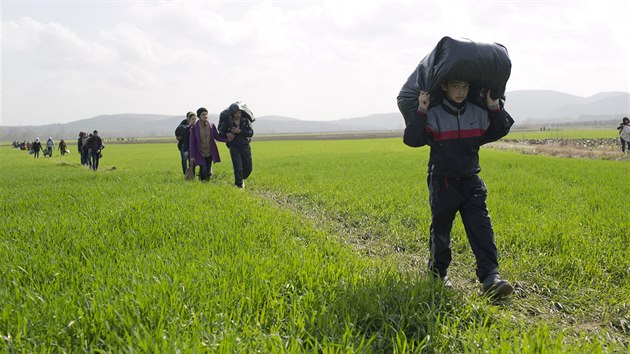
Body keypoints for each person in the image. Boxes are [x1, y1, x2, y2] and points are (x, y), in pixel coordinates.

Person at [403, 80, 514, 298]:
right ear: (444, 87)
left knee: (481, 228)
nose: (461, 91)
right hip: (442, 182)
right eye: (456, 86)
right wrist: (422, 109)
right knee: (441, 231)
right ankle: (438, 275)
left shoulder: (477, 112)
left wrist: (493, 106)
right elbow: (412, 139)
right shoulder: (434, 114)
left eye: (465, 86)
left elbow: (500, 129)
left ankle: (491, 278)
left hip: (471, 180)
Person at [219, 103, 254, 189]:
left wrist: (240, 131)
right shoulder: (227, 121)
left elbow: (251, 133)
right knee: (237, 168)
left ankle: (241, 179)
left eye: (239, 113)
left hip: (245, 146)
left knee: (249, 168)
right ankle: (239, 186)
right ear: (232, 114)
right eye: (236, 113)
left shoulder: (245, 121)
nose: (238, 115)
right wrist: (227, 134)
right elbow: (221, 133)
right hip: (234, 147)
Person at [189, 107, 229, 181]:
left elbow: (217, 137)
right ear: (199, 116)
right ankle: (202, 182)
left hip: (210, 151)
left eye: (206, 114)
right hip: (200, 152)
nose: (205, 116)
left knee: (208, 169)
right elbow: (192, 143)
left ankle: (206, 183)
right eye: (203, 114)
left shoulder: (211, 125)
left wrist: (227, 140)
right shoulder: (194, 128)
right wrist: (192, 156)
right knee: (203, 168)